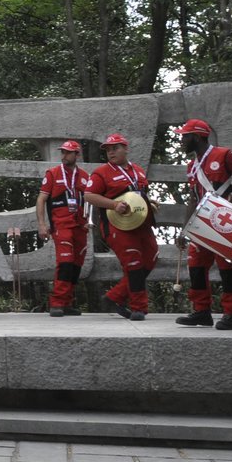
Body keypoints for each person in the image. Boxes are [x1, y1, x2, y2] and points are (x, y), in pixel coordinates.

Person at [174, 119, 232, 330]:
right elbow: (193, 198)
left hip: (223, 220)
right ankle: (202, 312)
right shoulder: (192, 166)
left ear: (198, 136)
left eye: (185, 136)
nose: (181, 140)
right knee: (196, 268)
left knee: (229, 269)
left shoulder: (223, 154)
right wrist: (185, 229)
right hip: (202, 221)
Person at [83, 133, 157, 322]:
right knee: (133, 262)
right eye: (108, 150)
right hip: (117, 226)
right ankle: (138, 308)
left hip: (141, 224)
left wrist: (150, 203)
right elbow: (89, 196)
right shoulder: (101, 172)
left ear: (126, 148)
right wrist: (114, 205)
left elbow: (139, 194)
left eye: (115, 148)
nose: (111, 152)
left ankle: (114, 296)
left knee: (151, 258)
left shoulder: (138, 170)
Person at [35, 140, 94, 317]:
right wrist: (42, 225)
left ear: (77, 154)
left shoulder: (85, 176)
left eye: (68, 153)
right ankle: (57, 303)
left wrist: (88, 220)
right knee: (65, 262)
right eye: (63, 152)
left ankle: (67, 302)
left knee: (76, 266)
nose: (64, 156)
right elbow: (41, 200)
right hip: (61, 225)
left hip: (80, 226)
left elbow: (90, 201)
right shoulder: (52, 174)